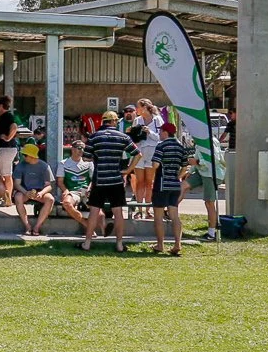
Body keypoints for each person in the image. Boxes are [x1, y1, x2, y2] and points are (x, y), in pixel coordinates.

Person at [81, 109, 136, 253]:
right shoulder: (122, 136)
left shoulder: (94, 137)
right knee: (118, 213)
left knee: (94, 211)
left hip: (99, 180)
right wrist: (129, 170)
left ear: (103, 122)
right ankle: (119, 244)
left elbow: (86, 158)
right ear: (114, 122)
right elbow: (138, 154)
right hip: (116, 180)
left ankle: (87, 243)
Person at [148, 120, 192, 255]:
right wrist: (177, 176)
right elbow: (185, 167)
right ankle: (177, 244)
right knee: (174, 216)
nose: (159, 134)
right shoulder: (180, 146)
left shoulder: (161, 145)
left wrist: (153, 170)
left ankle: (160, 245)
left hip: (162, 184)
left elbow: (155, 165)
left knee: (158, 217)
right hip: (174, 184)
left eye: (161, 132)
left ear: (166, 133)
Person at [10, 142, 56, 238]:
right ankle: (27, 226)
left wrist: (41, 193)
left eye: (25, 155)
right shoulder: (20, 165)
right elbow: (17, 184)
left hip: (40, 191)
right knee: (18, 197)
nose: (23, 157)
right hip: (25, 191)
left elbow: (49, 186)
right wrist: (25, 192)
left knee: (50, 199)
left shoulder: (44, 166)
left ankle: (37, 227)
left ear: (31, 156)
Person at [56, 140, 94, 227]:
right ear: (72, 149)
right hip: (73, 191)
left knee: (98, 208)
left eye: (84, 148)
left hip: (87, 191)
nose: (82, 151)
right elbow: (60, 182)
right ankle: (87, 225)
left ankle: (104, 230)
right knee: (67, 203)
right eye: (79, 148)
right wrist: (65, 190)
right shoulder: (63, 163)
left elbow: (93, 180)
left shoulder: (89, 163)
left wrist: (90, 188)